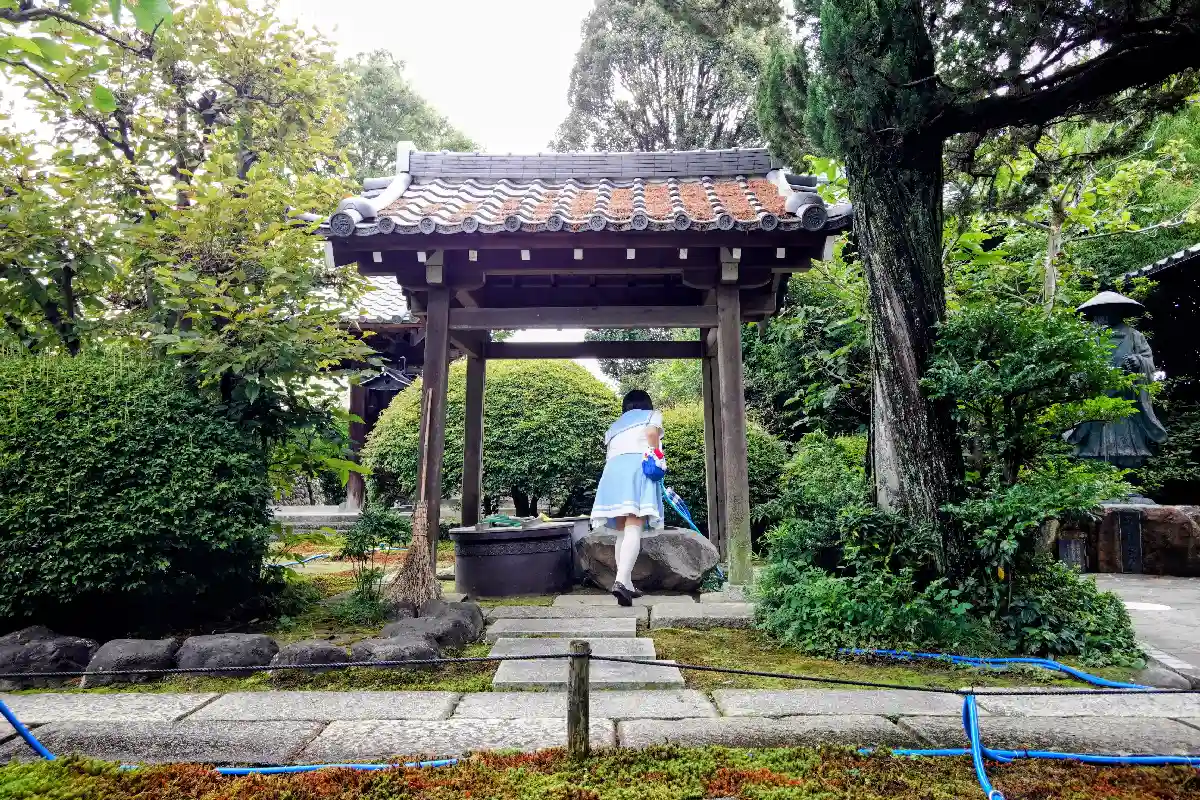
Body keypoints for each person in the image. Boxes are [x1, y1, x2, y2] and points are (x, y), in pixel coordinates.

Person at [590, 389, 665, 606]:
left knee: (623, 529)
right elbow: (651, 434)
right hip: (636, 468)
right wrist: (656, 456)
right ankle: (622, 581)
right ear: (647, 403)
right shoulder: (652, 416)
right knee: (635, 523)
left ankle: (626, 583)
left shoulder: (615, 425)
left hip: (612, 472)